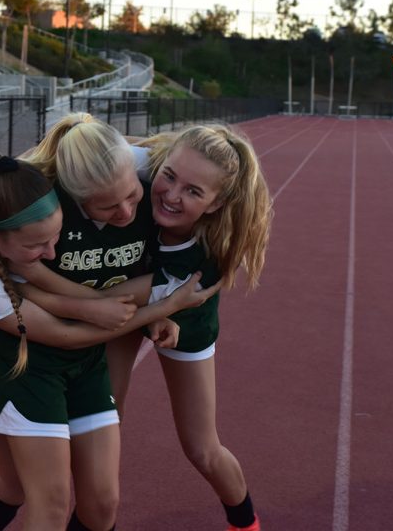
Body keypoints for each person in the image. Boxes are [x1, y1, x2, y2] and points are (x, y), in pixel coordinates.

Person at [0, 150, 210, 531]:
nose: (49, 254)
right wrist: (163, 307)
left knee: (16, 479)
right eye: (36, 247)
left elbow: (0, 165)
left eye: (55, 239)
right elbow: (65, 335)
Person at [0, 113, 220, 531]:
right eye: (108, 206)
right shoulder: (43, 209)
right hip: (33, 361)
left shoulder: (149, 189)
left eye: (132, 196)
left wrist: (152, 319)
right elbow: (23, 284)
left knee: (102, 504)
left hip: (89, 360)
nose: (128, 211)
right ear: (74, 199)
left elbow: (146, 282)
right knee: (44, 500)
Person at [106, 124, 272, 531]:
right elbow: (48, 154)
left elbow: (117, 302)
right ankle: (96, 515)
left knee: (201, 447)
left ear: (216, 204)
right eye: (170, 176)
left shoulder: (201, 264)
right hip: (123, 301)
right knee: (103, 425)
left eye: (194, 192)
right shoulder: (140, 166)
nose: (172, 195)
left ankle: (245, 522)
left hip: (182, 317)